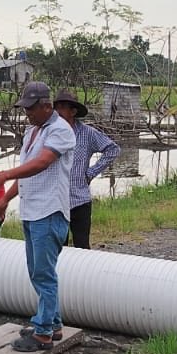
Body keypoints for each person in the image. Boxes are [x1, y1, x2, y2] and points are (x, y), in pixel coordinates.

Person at [0, 81, 75, 352]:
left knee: (44, 274)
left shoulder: (60, 130)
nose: (27, 114)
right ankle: (53, 324)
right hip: (32, 210)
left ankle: (43, 333)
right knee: (37, 271)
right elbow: (27, 171)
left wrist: (3, 175)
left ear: (47, 106)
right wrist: (5, 199)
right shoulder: (33, 131)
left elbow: (42, 163)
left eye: (31, 109)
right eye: (25, 109)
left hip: (49, 211)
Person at [52, 89, 120, 249]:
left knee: (82, 247)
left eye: (63, 107)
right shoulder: (50, 133)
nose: (58, 112)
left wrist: (90, 173)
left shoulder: (87, 133)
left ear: (73, 111)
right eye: (57, 107)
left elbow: (113, 149)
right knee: (57, 247)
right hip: (56, 201)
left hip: (80, 200)